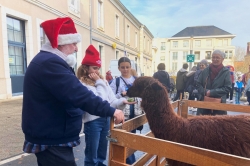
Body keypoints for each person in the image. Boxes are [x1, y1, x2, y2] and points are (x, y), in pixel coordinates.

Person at [22, 17, 124, 166]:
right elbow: (79, 94)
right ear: (61, 43)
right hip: (52, 139)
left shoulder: (50, 61)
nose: (76, 48)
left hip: (54, 136)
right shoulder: (50, 63)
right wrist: (111, 111)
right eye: (74, 43)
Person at [77, 45, 135, 166]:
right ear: (86, 68)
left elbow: (112, 100)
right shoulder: (82, 83)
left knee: (101, 155)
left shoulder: (102, 81)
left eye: (98, 68)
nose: (97, 71)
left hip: (106, 119)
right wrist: (99, 82)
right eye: (94, 68)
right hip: (93, 121)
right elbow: (100, 101)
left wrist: (122, 102)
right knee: (91, 157)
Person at [109, 57, 143, 165]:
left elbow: (142, 96)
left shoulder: (137, 81)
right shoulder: (116, 81)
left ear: (130, 67)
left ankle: (127, 162)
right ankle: (129, 163)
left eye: (127, 67)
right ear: (119, 68)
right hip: (122, 116)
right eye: (122, 67)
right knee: (124, 142)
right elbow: (111, 98)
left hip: (135, 114)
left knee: (130, 141)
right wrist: (121, 95)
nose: (125, 69)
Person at [196, 50, 231, 115]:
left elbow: (227, 88)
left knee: (217, 124)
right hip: (204, 105)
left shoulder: (226, 72)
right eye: (213, 57)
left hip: (219, 105)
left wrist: (212, 92)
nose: (215, 59)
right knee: (202, 123)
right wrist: (205, 92)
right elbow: (198, 84)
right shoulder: (205, 70)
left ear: (222, 59)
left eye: (217, 57)